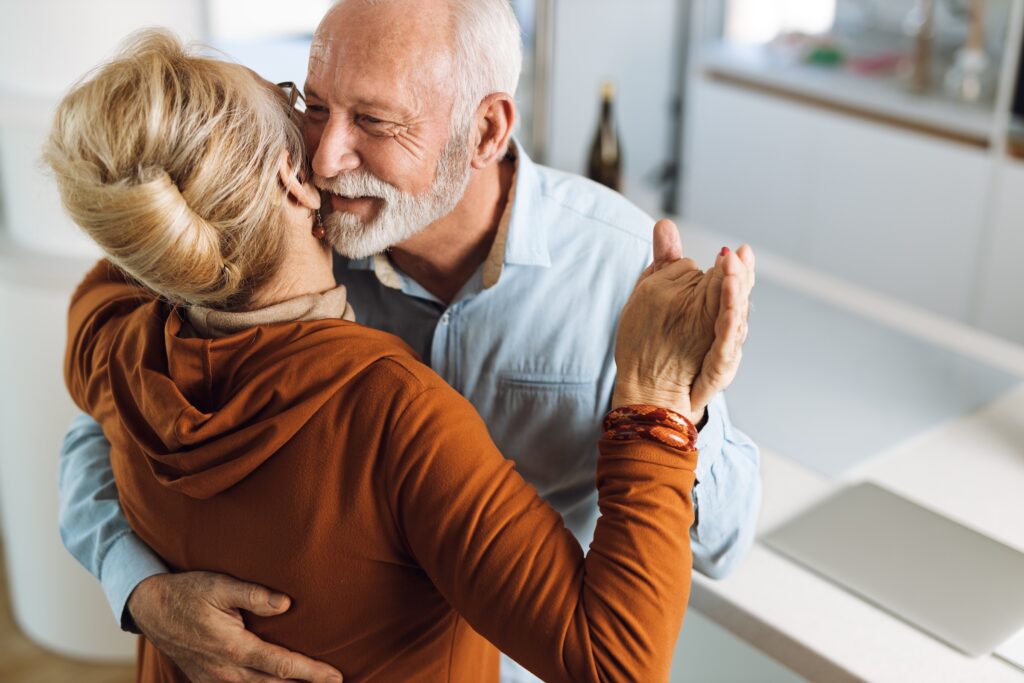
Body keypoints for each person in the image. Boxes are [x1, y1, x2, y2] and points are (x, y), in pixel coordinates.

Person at [56, 1, 760, 681]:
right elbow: (106, 424)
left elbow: (724, 544)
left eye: (373, 120)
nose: (326, 159)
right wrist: (138, 590)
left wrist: (680, 407)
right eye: (315, 105)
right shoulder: (273, 240)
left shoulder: (624, 270)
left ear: (485, 132)